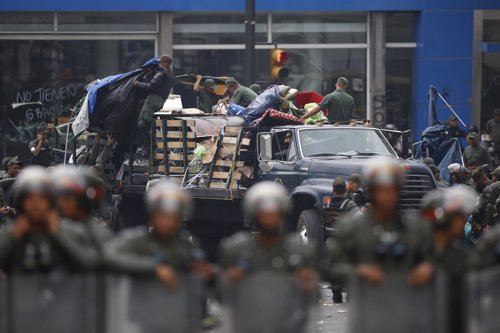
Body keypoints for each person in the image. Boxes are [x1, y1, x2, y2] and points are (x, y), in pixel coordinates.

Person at [323, 158, 434, 292]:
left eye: (391, 190)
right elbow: (331, 269)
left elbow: (438, 260)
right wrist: (357, 272)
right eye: (380, 190)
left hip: (406, 301)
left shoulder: (414, 227)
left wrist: (428, 268)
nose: (386, 196)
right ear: (372, 192)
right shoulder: (351, 228)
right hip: (366, 302)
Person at [105, 180, 213, 286]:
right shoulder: (137, 240)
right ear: (153, 215)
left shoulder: (185, 245)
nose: (166, 223)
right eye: (162, 216)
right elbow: (109, 258)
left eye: (172, 218)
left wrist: (209, 275)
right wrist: (153, 268)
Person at [220, 182, 317, 291]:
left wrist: (307, 282)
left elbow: (311, 296)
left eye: (274, 214)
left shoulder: (298, 250)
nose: (270, 219)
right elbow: (222, 293)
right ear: (255, 216)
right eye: (264, 214)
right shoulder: (238, 248)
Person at [0, 166, 99, 272]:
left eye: (41, 198)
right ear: (21, 202)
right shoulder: (11, 232)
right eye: (29, 199)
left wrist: (58, 235)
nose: (36, 204)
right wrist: (13, 238)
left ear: (50, 202)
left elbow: (90, 264)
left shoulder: (68, 230)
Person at [421, 186, 476, 333]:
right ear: (442, 218)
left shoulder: (463, 255)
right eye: (458, 216)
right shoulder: (416, 254)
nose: (463, 221)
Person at [51, 165, 112, 252]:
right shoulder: (51, 225)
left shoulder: (97, 233)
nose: (62, 202)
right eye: (60, 197)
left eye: (67, 198)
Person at [324, 177, 359, 303]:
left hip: (331, 242)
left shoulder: (326, 204)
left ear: (333, 190)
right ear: (345, 190)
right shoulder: (349, 204)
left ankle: (336, 295)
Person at [135, 54, 174, 156]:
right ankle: (150, 146)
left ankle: (145, 148)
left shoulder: (161, 72)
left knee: (142, 123)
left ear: (165, 63)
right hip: (160, 101)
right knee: (148, 123)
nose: (159, 65)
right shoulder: (170, 74)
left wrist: (137, 84)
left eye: (160, 63)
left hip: (153, 100)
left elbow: (151, 87)